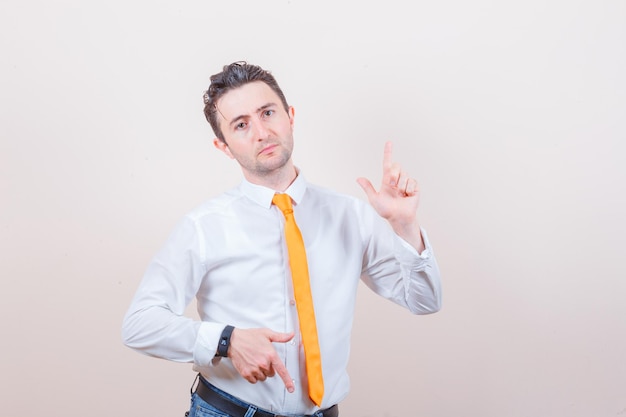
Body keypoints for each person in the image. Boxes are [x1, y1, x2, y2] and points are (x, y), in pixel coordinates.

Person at [122, 61, 442, 417]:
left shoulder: (351, 216)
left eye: (268, 113)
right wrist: (226, 341)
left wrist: (404, 227)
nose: (261, 132)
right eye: (241, 125)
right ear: (223, 146)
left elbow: (425, 300)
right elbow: (140, 324)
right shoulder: (203, 226)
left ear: (290, 116)